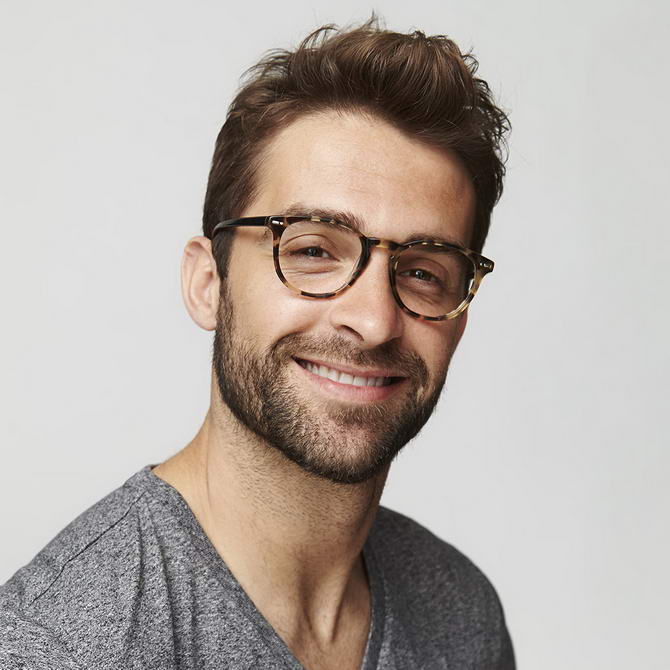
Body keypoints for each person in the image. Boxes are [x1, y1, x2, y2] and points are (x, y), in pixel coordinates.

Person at [0, 18, 514, 670]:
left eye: (422, 271)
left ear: (459, 319)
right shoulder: (59, 647)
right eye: (313, 250)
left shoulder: (462, 615)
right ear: (208, 284)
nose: (374, 321)